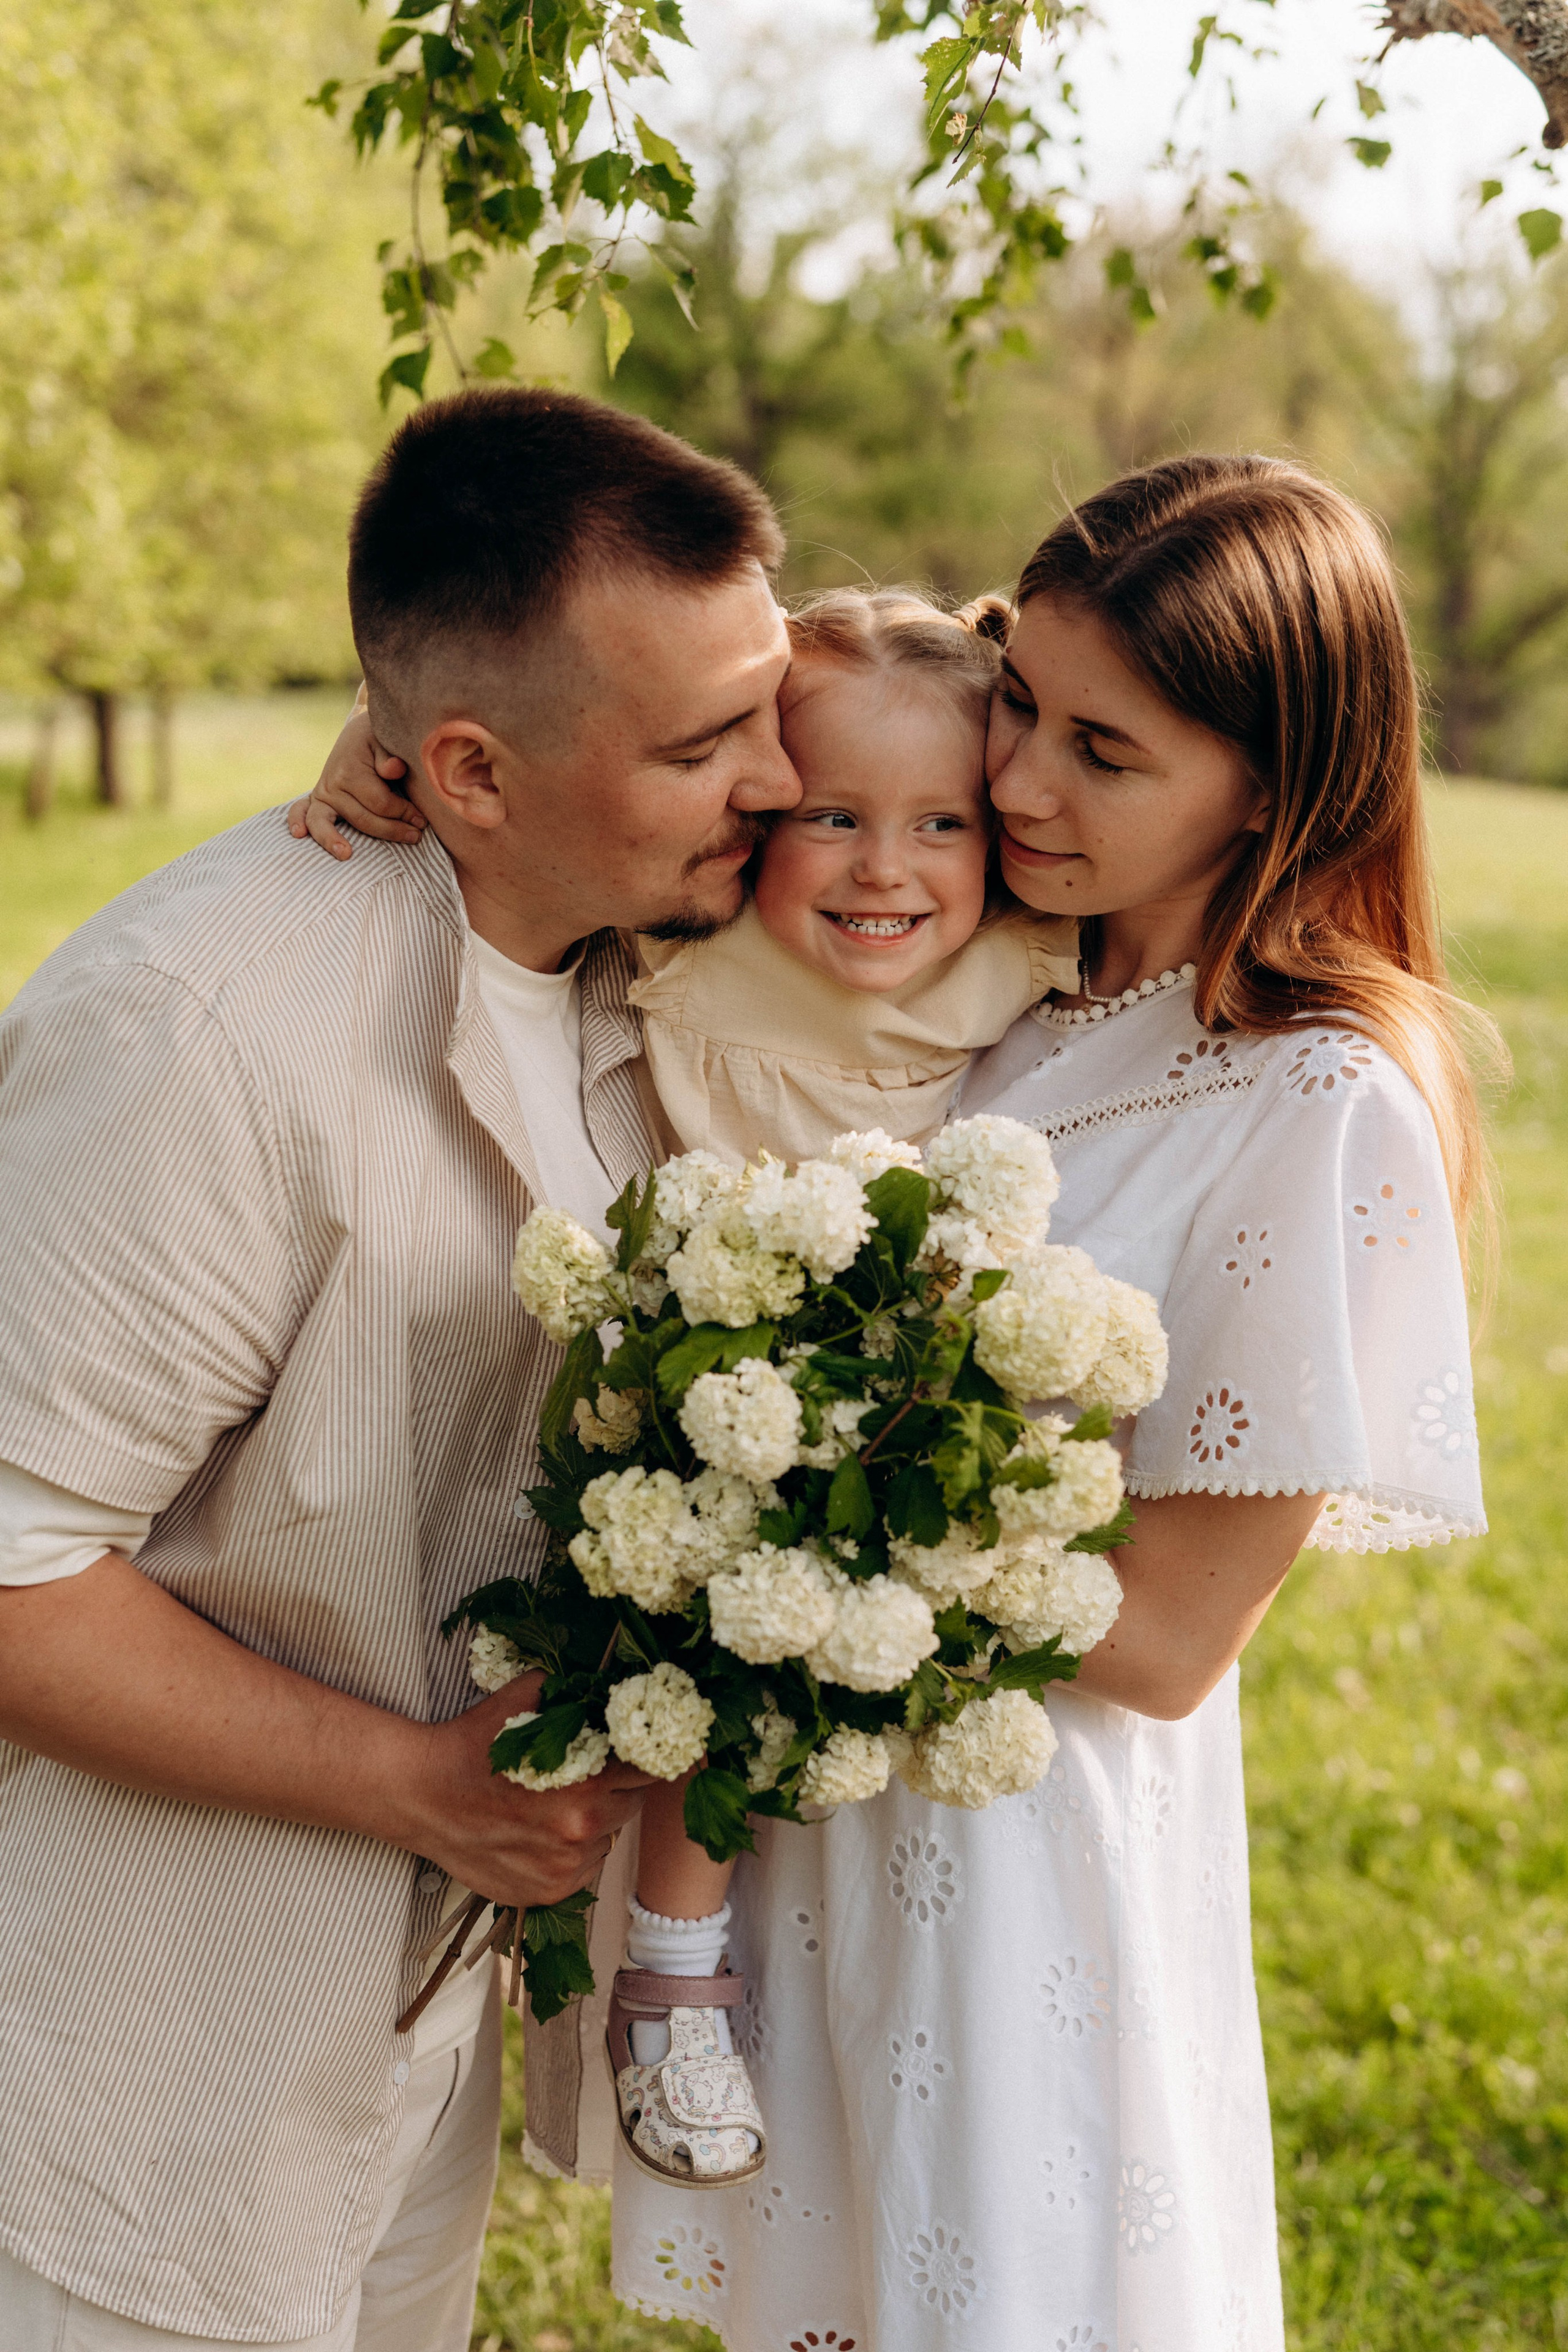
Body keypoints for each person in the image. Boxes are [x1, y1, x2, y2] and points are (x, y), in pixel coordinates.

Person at [601, 457, 1490, 2349]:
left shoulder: (1318, 1104)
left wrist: (788, 1487)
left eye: (1106, 750)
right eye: (1028, 707)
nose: (1017, 786)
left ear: (1277, 780)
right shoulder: (1026, 992)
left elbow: (1167, 1635)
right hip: (842, 1817)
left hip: (1024, 1877)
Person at [0, 385, 802, 2351]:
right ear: (466, 768)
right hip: (122, 2054)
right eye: (709, 742)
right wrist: (428, 1788)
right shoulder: (204, 1037)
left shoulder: (653, 962)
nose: (781, 775)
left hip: (403, 2042)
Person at [295, 582, 1080, 2188]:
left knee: (796, 1681)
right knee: (675, 1684)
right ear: (758, 813)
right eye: (836, 816)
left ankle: (690, 1966)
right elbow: (511, 757)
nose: (887, 868)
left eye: (940, 822)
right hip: (681, 1372)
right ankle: (663, 1982)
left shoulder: (1016, 958)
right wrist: (357, 745)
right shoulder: (686, 944)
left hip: (877, 1393)